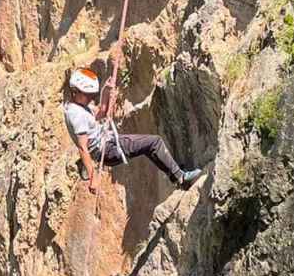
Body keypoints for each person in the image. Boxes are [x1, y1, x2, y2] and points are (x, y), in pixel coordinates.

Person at [63, 68, 201, 193]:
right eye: (88, 95)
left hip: (108, 143)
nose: (90, 98)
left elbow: (101, 114)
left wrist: (105, 93)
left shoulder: (79, 106)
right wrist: (93, 176)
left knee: (150, 146)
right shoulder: (76, 114)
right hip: (108, 149)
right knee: (154, 143)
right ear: (75, 91)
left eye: (92, 95)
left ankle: (175, 174)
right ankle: (180, 178)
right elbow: (82, 147)